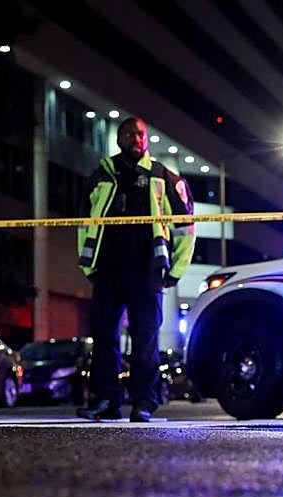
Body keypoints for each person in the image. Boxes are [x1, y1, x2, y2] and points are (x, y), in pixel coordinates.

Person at [76, 116, 196, 422]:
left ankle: (144, 402)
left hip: (146, 269)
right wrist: (88, 263)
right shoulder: (102, 175)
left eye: (141, 134)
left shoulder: (165, 177)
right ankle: (106, 400)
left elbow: (185, 227)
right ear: (119, 140)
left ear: (148, 139)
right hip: (108, 268)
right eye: (130, 134)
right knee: (103, 335)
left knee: (146, 337)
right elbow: (84, 221)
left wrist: (176, 271)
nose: (136, 139)